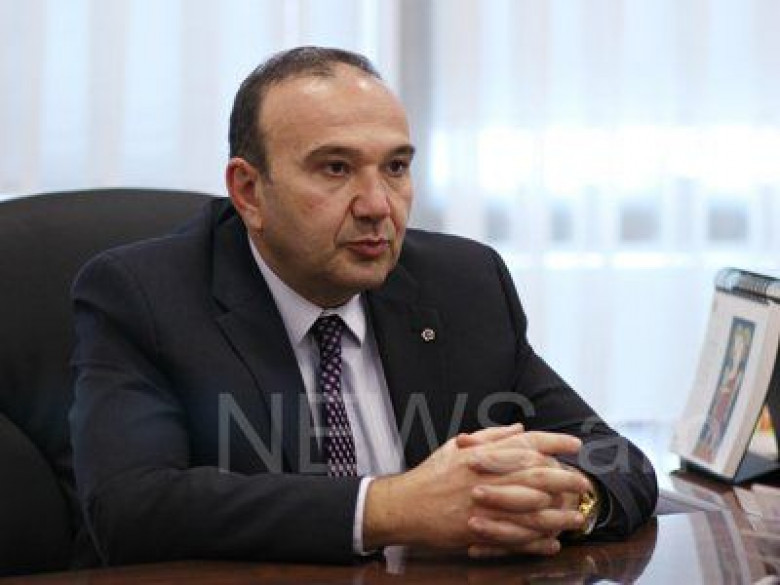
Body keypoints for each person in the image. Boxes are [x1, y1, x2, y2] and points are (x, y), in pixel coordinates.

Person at [70, 46, 657, 565]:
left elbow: (614, 456)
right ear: (249, 191)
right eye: (336, 168)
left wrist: (571, 504)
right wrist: (390, 507)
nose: (378, 205)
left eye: (396, 167)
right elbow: (131, 508)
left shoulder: (462, 283)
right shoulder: (144, 295)